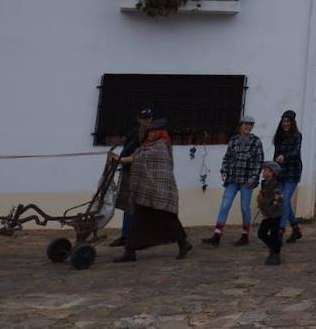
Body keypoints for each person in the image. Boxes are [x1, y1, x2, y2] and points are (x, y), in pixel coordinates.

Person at [111, 117, 192, 262]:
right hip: (147, 192)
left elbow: (141, 158)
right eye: (149, 132)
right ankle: (130, 251)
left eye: (152, 132)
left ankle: (183, 243)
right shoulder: (149, 145)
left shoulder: (161, 147)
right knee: (138, 220)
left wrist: (121, 160)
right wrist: (121, 158)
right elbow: (138, 155)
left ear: (159, 133)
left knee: (168, 219)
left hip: (161, 191)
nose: (149, 134)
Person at [204, 116, 263, 246]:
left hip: (247, 180)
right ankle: (217, 235)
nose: (248, 127)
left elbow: (259, 162)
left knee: (244, 207)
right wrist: (224, 171)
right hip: (232, 179)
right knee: (225, 205)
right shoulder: (234, 140)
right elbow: (227, 158)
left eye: (250, 125)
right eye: (246, 124)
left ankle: (245, 235)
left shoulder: (256, 142)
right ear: (240, 126)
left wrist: (254, 178)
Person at [109, 109, 151, 248]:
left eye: (148, 118)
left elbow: (143, 155)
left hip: (143, 173)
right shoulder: (133, 132)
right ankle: (126, 236)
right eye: (144, 118)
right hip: (129, 171)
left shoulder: (152, 135)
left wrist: (121, 160)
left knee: (140, 206)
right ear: (139, 119)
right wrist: (120, 160)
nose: (146, 121)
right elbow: (128, 149)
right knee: (129, 205)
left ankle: (139, 237)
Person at [273, 111, 304, 242]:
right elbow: (275, 154)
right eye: (284, 121)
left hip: (293, 171)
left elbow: (295, 152)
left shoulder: (297, 136)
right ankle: (296, 229)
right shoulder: (278, 137)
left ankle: (280, 231)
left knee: (284, 200)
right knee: (285, 201)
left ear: (292, 123)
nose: (285, 124)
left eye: (288, 122)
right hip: (281, 172)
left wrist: (284, 156)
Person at [255, 162, 285, 266]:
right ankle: (274, 248)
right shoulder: (264, 184)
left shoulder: (276, 185)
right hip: (267, 213)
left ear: (272, 173)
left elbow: (279, 199)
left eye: (266, 170)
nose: (263, 172)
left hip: (274, 214)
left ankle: (275, 254)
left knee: (273, 234)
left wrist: (272, 209)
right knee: (262, 233)